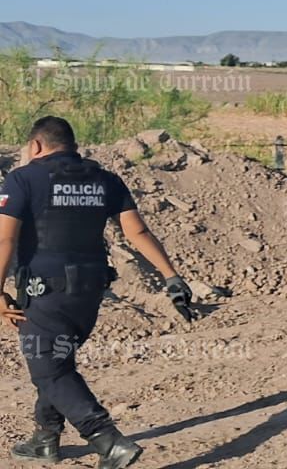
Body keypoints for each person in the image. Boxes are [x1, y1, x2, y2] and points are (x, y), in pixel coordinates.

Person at [0, 117, 193, 468]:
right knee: (56, 360)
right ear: (72, 146)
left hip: (46, 292)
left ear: (36, 145)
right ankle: (45, 437)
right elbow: (137, 233)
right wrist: (171, 276)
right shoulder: (106, 180)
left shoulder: (22, 179)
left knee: (48, 368)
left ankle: (107, 441)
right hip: (90, 292)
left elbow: (5, 239)